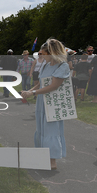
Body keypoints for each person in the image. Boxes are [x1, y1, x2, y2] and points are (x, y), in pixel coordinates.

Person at [21, 39, 70, 170]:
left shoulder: (62, 66)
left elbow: (54, 86)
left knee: (51, 130)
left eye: (43, 53)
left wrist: (34, 93)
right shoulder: (45, 65)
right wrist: (29, 91)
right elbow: (41, 83)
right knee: (41, 129)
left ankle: (52, 160)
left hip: (53, 104)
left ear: (51, 52)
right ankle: (43, 156)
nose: (41, 56)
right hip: (41, 102)